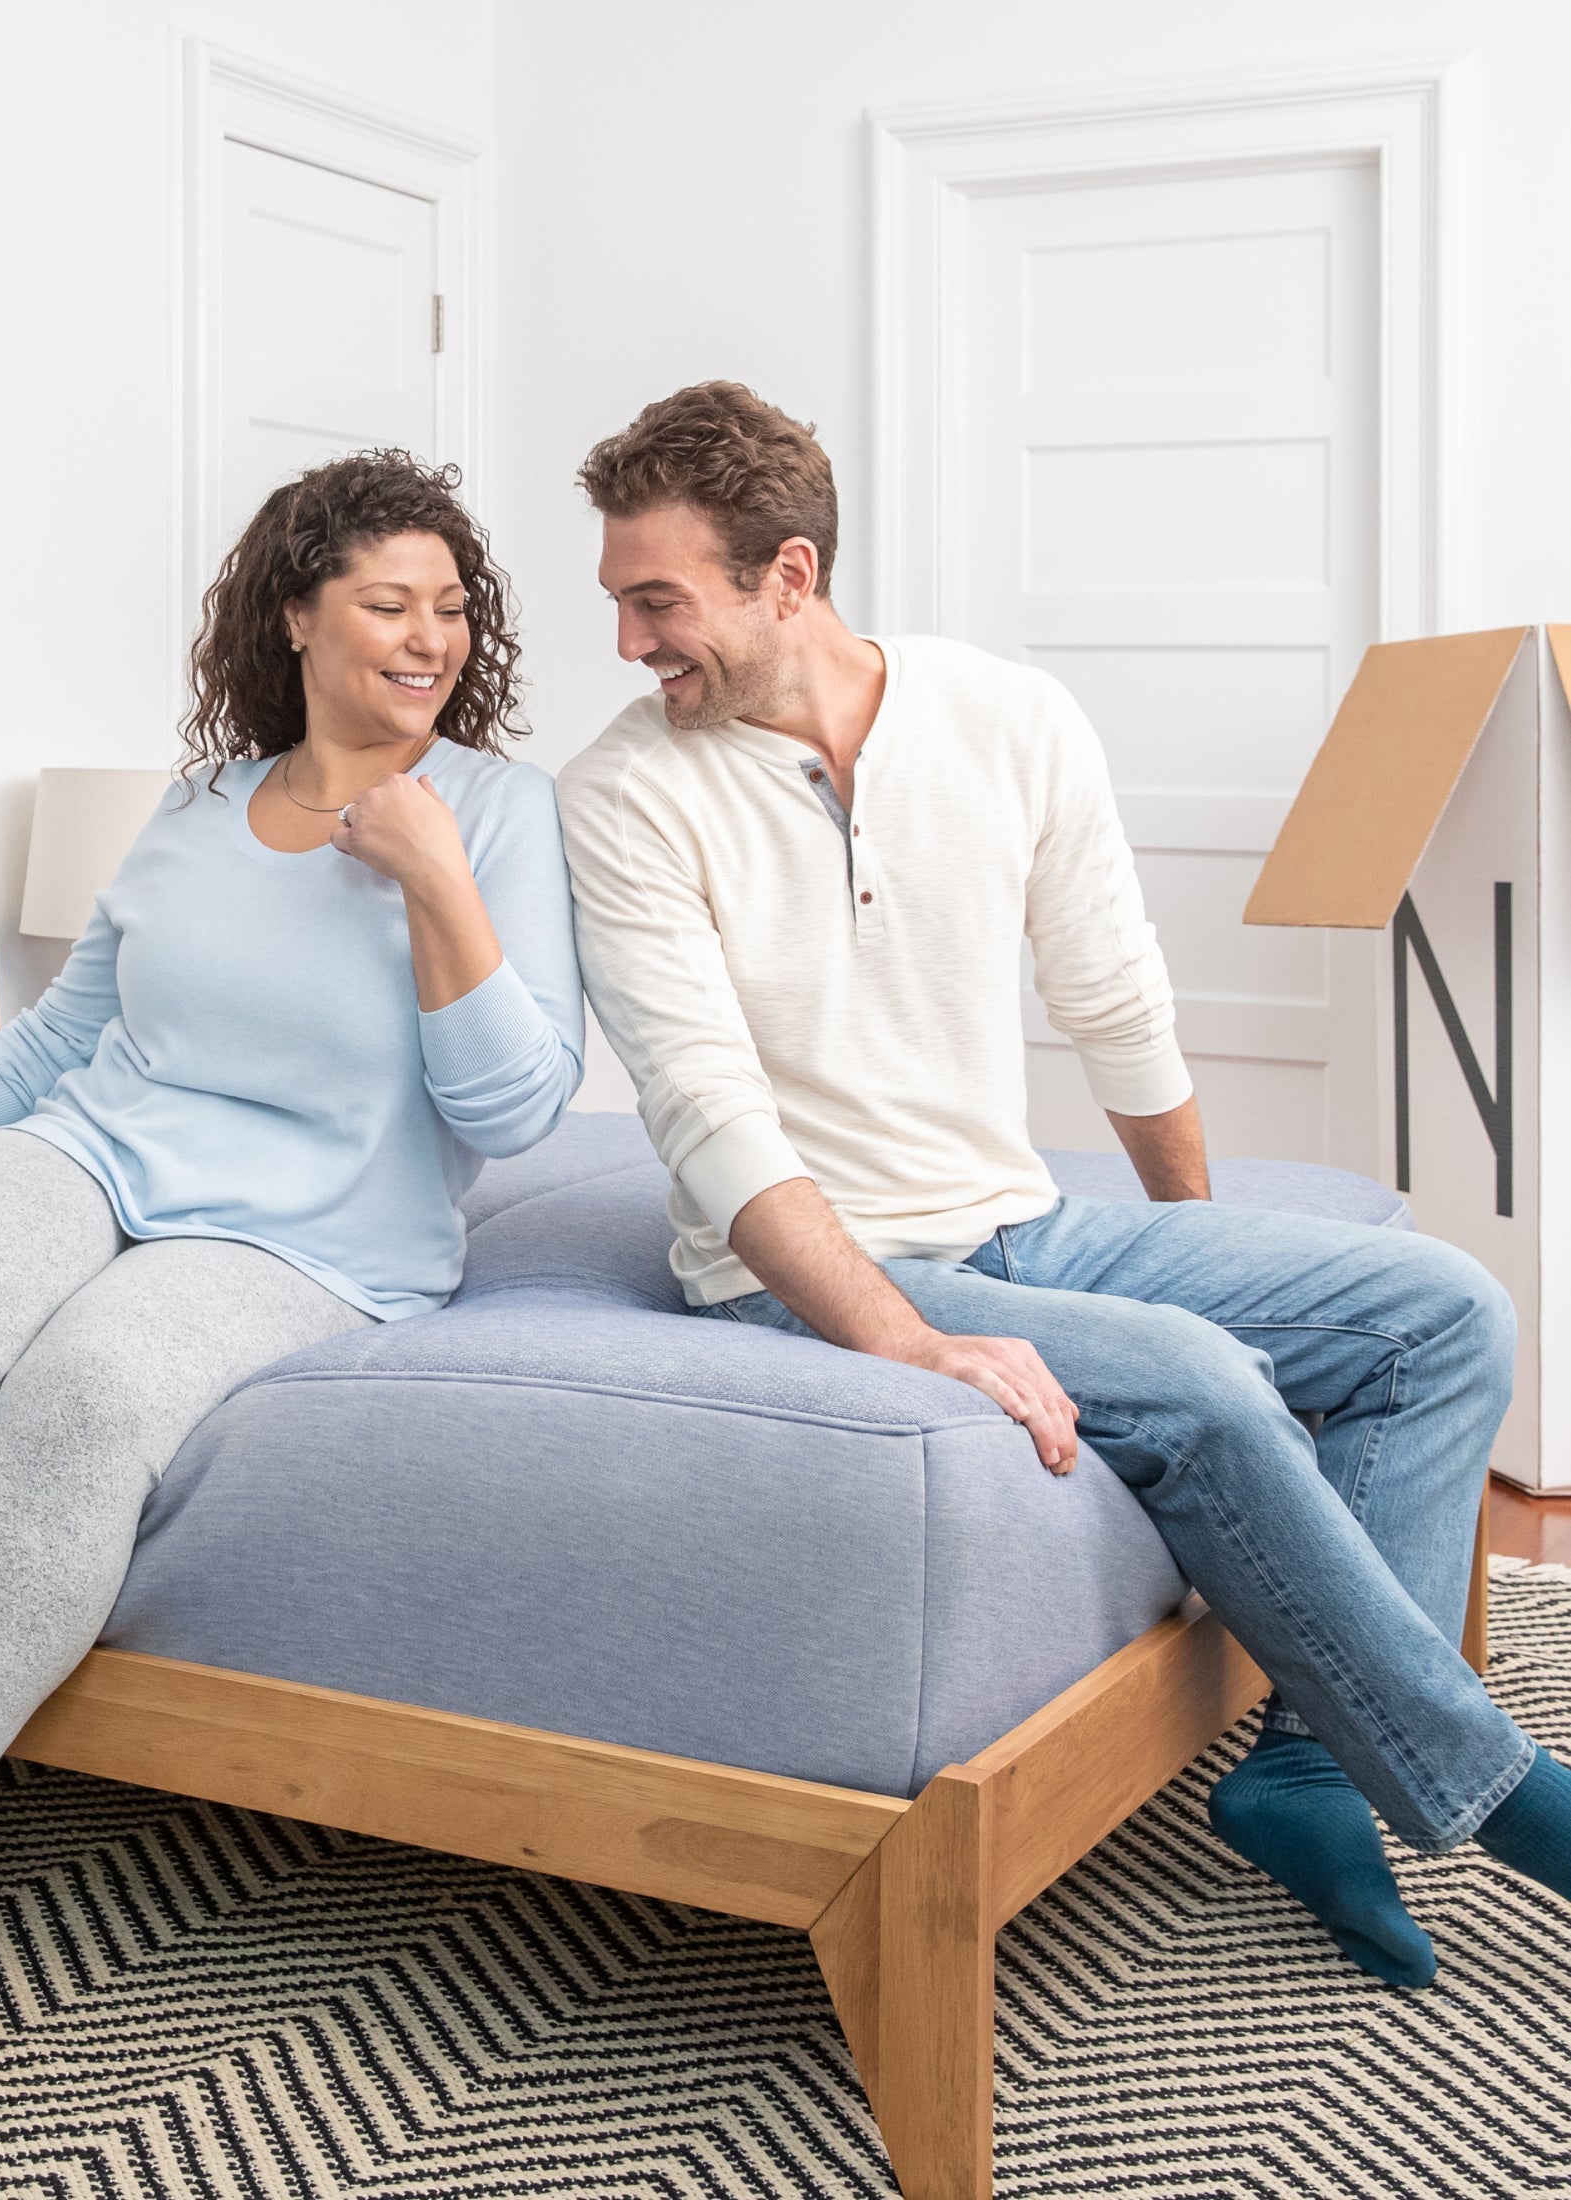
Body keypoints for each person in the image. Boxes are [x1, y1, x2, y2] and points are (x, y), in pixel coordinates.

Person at [555, 380, 1571, 1989]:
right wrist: (904, 1342)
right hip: (795, 1261)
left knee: (1440, 1312)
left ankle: (1302, 1768)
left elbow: (1114, 996)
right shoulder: (620, 795)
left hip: (1018, 1215)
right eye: (617, 601)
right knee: (1198, 1381)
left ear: (788, 576)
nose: (626, 643)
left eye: (655, 601)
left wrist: (1193, 1239)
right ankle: (1501, 1794)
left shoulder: (1002, 715)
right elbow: (708, 1120)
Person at [0, 450, 584, 2078]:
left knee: (82, 1393)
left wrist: (433, 876)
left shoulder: (498, 814)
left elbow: (515, 1106)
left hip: (315, 1234)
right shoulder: (200, 803)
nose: (427, 636)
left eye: (449, 608)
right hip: (94, 1151)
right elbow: (53, 1046)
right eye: (387, 602)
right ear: (297, 614)